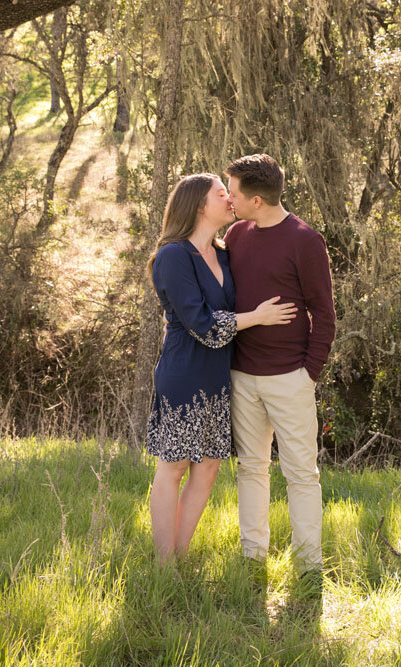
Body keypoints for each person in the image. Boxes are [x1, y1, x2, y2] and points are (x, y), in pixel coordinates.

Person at [146, 172, 297, 565]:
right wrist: (259, 317)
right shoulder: (173, 256)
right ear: (198, 205)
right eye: (221, 194)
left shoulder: (224, 252)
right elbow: (205, 326)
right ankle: (165, 564)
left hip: (217, 376)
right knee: (175, 465)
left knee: (209, 467)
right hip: (183, 374)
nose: (231, 199)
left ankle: (179, 554)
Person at [223, 154, 336, 575]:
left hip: (290, 378)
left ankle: (309, 567)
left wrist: (308, 374)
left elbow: (324, 315)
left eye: (232, 192)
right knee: (251, 468)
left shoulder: (305, 241)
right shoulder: (236, 235)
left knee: (301, 475)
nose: (228, 199)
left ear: (256, 200)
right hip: (242, 376)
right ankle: (253, 559)